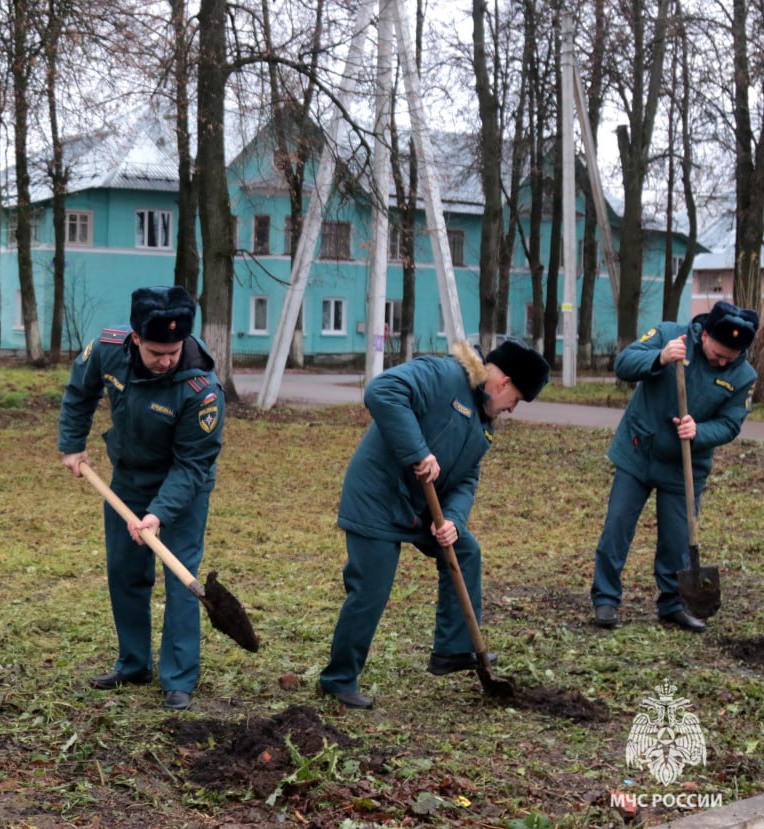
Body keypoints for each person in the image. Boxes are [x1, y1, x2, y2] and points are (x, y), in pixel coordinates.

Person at [318, 340, 550, 709]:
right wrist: (418, 452)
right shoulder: (444, 375)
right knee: (371, 590)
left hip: (420, 506)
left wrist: (454, 521)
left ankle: (453, 650)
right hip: (377, 496)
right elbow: (382, 391)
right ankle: (338, 678)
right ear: (503, 383)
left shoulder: (484, 422)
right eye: (516, 400)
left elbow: (467, 478)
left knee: (465, 549)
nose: (512, 409)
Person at [58, 285, 224, 712]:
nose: (166, 360)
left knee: (180, 577)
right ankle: (133, 663)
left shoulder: (202, 389)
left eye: (173, 350)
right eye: (156, 352)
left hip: (181, 488)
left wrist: (158, 516)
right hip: (127, 479)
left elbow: (193, 465)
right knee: (124, 571)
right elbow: (80, 392)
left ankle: (178, 679)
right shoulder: (108, 349)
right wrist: (72, 444)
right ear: (135, 339)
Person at [591, 300, 758, 632]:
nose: (723, 361)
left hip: (686, 465)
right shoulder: (670, 335)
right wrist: (660, 357)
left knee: (677, 541)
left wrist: (699, 431)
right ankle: (606, 599)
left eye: (731, 357)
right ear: (705, 333)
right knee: (617, 528)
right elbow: (623, 364)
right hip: (639, 451)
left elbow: (730, 424)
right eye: (718, 353)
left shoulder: (744, 376)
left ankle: (672, 604)